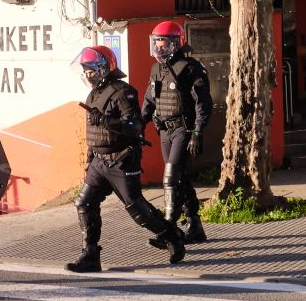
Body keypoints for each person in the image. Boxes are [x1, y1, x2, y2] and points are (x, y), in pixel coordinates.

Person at [66, 45, 187, 273]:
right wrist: (90, 160)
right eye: (85, 71)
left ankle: (172, 235)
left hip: (121, 160)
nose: (87, 75)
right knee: (84, 202)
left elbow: (135, 126)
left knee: (137, 209)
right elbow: (92, 131)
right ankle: (90, 255)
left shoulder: (124, 92)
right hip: (99, 162)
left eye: (90, 70)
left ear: (102, 69)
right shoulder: (95, 93)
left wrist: (106, 121)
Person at [142, 21, 211, 245]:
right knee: (178, 178)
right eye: (156, 42)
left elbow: (203, 103)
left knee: (171, 178)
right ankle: (194, 225)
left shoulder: (191, 67)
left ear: (176, 43)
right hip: (165, 132)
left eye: (163, 42)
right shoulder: (156, 69)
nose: (159, 46)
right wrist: (136, 126)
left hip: (184, 129)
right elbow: (149, 101)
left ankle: (169, 230)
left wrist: (198, 132)